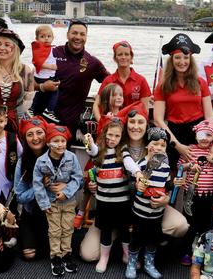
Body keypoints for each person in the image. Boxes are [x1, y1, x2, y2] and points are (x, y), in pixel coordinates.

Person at [78, 101, 189, 263]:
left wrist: (165, 198)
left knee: (180, 225)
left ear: (147, 124)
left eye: (140, 122)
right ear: (125, 124)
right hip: (115, 207)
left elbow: (164, 180)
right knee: (88, 254)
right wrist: (93, 184)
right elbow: (95, 165)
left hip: (147, 207)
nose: (136, 126)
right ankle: (123, 241)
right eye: (132, 122)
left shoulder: (156, 146)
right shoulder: (115, 145)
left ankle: (148, 240)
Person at [154, 33, 213, 173]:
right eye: (177, 57)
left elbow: (209, 116)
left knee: (200, 175)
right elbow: (158, 119)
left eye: (185, 57)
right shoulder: (163, 85)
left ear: (191, 59)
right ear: (171, 60)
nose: (182, 61)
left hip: (199, 133)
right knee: (175, 175)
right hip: (173, 133)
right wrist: (177, 145)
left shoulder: (200, 82)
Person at [39, 20, 109, 136]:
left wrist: (99, 97)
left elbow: (111, 82)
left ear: (86, 37)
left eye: (82, 34)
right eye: (74, 33)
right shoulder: (52, 53)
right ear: (67, 34)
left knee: (67, 154)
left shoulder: (92, 63)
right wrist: (42, 86)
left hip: (70, 124)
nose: (78, 37)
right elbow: (31, 82)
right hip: (44, 119)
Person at [32, 124, 83, 276]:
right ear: (48, 143)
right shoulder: (41, 161)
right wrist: (44, 203)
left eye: (63, 141)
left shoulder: (71, 157)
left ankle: (67, 255)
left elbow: (78, 178)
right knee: (54, 231)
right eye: (56, 141)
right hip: (51, 202)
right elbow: (37, 184)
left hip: (68, 201)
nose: (60, 144)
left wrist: (66, 191)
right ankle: (56, 257)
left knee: (67, 229)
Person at [174, 120, 213, 265]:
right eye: (201, 134)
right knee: (191, 224)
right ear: (196, 135)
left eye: (208, 135)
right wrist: (190, 165)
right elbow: (180, 167)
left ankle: (205, 252)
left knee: (208, 224)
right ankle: (186, 252)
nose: (204, 138)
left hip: (209, 195)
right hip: (191, 196)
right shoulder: (190, 149)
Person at [83, 115, 130, 273]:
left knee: (124, 230)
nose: (113, 138)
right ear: (104, 134)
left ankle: (126, 255)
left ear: (121, 137)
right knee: (106, 231)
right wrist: (89, 142)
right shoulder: (100, 152)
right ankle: (104, 257)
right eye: (110, 134)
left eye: (117, 135)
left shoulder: (123, 151)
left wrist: (136, 171)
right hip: (104, 202)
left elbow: (129, 162)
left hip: (122, 201)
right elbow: (93, 150)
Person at [126, 127, 172, 279]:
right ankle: (132, 263)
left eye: (162, 145)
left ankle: (149, 263)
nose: (159, 148)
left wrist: (165, 197)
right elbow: (132, 186)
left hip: (157, 214)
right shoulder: (140, 164)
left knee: (153, 240)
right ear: (147, 145)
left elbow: (168, 187)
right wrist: (138, 186)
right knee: (136, 238)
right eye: (155, 144)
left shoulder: (166, 168)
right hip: (140, 212)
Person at [13, 116, 50, 261]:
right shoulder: (22, 162)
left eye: (39, 132)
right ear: (25, 138)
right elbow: (19, 196)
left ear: (46, 134)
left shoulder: (58, 155)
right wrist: (39, 186)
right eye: (30, 134)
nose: (35, 138)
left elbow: (76, 182)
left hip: (53, 213)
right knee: (30, 255)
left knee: (52, 251)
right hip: (31, 212)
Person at [92, 40, 151, 121]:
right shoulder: (108, 80)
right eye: (120, 54)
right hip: (113, 126)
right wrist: (102, 124)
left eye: (126, 54)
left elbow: (145, 109)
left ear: (131, 57)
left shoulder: (141, 81)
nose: (123, 57)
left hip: (132, 125)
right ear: (115, 58)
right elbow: (96, 105)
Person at [29, 25, 60, 123]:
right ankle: (49, 110)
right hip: (42, 77)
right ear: (37, 38)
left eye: (49, 36)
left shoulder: (52, 49)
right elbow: (37, 62)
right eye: (42, 36)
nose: (46, 38)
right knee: (54, 92)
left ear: (52, 37)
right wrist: (52, 67)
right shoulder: (38, 48)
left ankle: (32, 109)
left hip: (48, 76)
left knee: (40, 95)